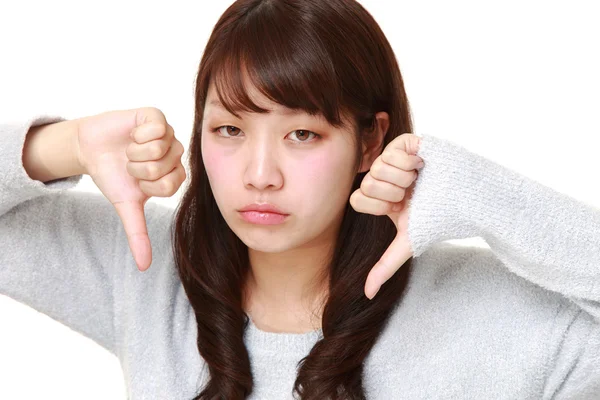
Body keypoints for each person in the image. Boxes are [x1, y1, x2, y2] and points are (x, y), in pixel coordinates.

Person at [1, 0, 599, 399]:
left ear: (370, 140)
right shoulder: (145, 272)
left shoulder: (492, 309)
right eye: (230, 130)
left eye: (303, 134)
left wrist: (487, 198)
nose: (261, 175)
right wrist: (58, 147)